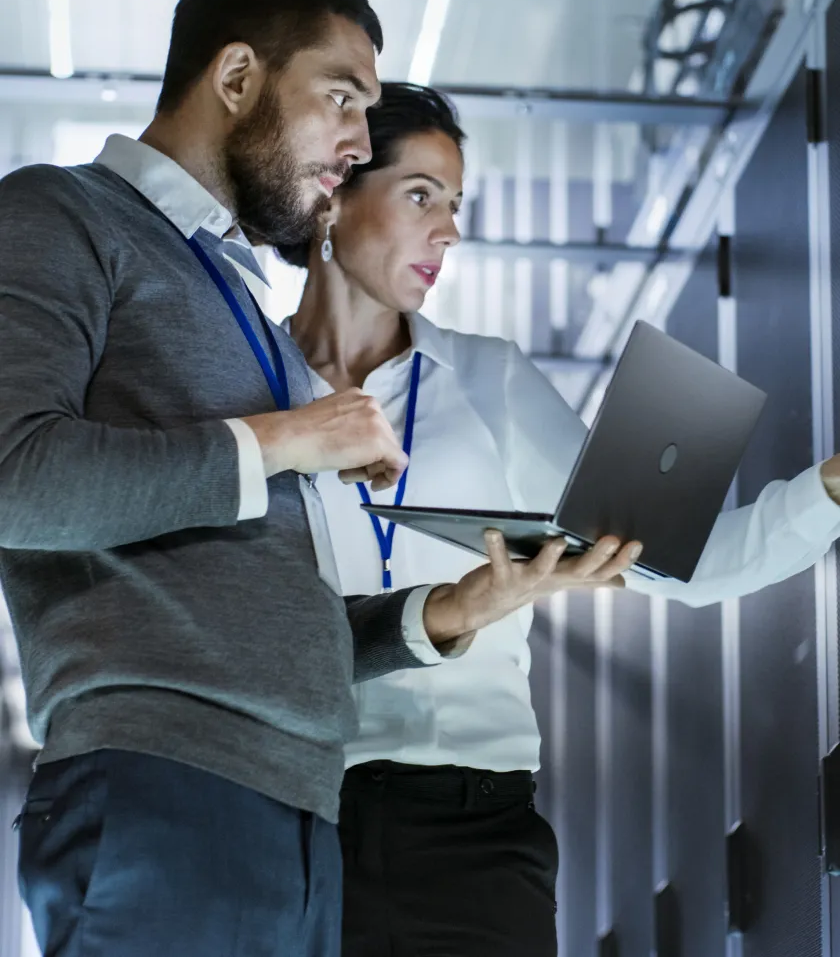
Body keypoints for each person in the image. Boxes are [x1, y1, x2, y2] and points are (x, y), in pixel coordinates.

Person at [0, 0, 642, 957]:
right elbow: (14, 477)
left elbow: (271, 619)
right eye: (341, 98)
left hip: (297, 821)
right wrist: (297, 433)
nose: (355, 143)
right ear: (239, 77)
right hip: (163, 794)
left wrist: (450, 612)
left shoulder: (239, 306)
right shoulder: (59, 214)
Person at [277, 81, 840, 957]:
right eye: (420, 194)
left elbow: (694, 565)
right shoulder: (251, 395)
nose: (449, 231)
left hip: (480, 834)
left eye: (456, 205)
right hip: (294, 820)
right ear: (333, 193)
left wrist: (829, 490)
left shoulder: (488, 378)